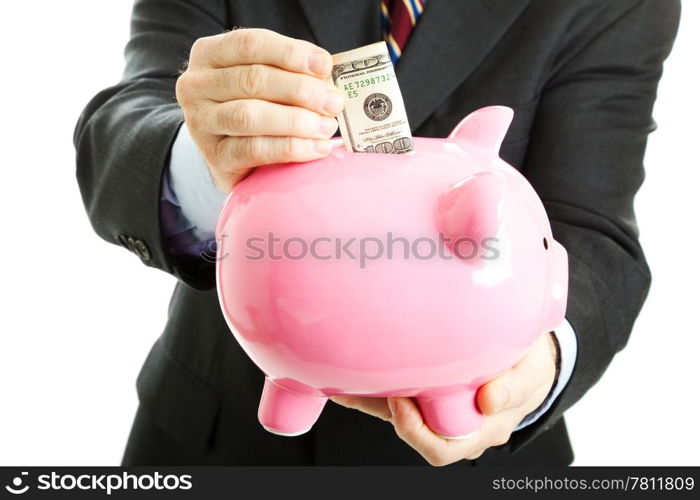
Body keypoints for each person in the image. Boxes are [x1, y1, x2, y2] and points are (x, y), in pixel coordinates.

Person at [74, 0, 680, 466]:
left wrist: (537, 368)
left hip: (481, 456)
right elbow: (118, 135)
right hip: (216, 430)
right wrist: (210, 156)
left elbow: (596, 227)